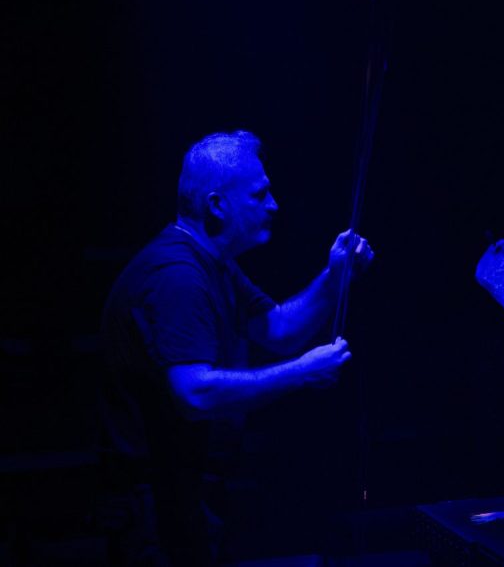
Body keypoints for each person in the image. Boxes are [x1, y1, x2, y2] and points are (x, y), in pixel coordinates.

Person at [101, 130, 373, 566]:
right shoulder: (179, 277)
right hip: (158, 506)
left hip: (189, 494)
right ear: (217, 205)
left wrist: (335, 275)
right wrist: (303, 372)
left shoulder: (213, 263)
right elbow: (195, 393)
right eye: (260, 194)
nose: (274, 205)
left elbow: (278, 329)